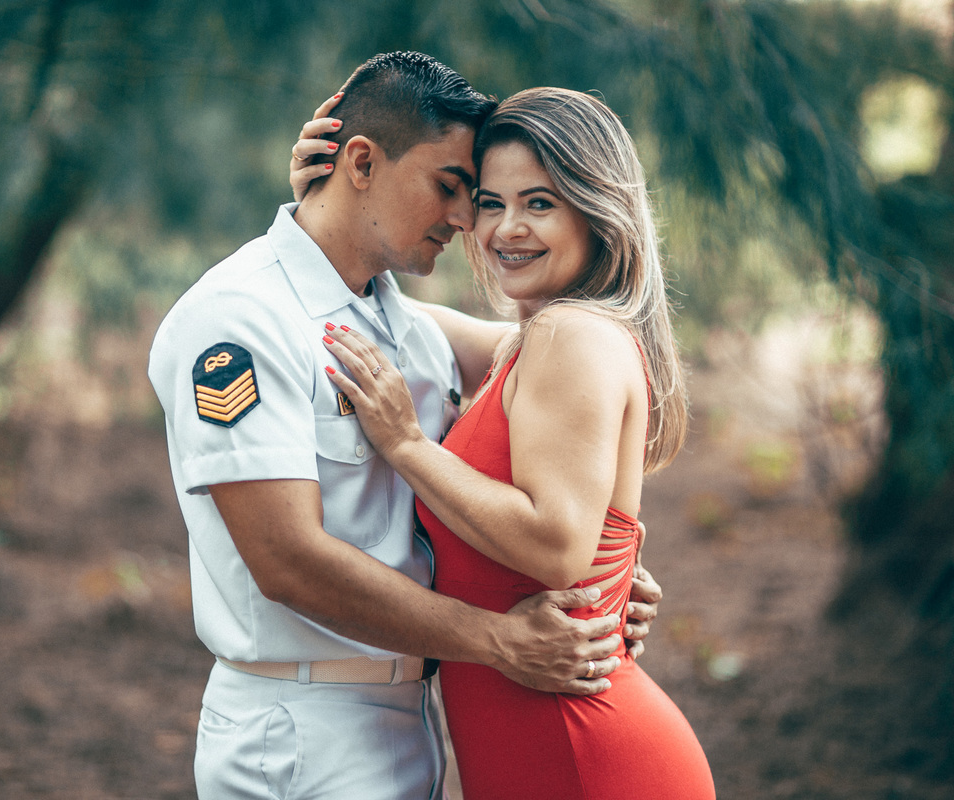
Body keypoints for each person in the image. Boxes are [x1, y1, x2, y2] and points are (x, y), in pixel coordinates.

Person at [149, 54, 664, 799]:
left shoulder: (407, 330)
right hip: (301, 727)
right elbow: (287, 561)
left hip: (414, 720)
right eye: (452, 188)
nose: (467, 221)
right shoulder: (240, 319)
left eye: (473, 197)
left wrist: (609, 569)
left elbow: (578, 385)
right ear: (361, 162)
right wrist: (498, 641)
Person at [312, 86, 714, 798]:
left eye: (539, 203)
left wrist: (407, 445)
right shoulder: (531, 341)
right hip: (543, 747)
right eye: (491, 203)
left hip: (580, 752)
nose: (506, 229)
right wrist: (330, 197)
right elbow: (373, 307)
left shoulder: (569, 336)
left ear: (597, 210)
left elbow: (556, 547)